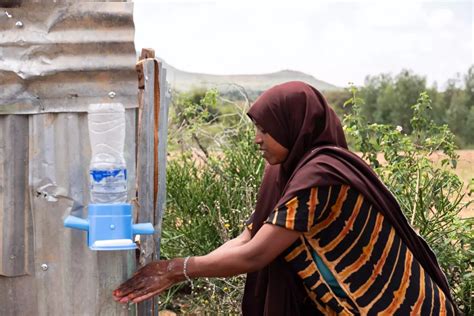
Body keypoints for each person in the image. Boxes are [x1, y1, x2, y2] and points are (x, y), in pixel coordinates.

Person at [113, 81, 456, 315]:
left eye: (266, 130)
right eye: (256, 130)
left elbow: (254, 255)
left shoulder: (320, 176)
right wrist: (190, 266)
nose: (257, 140)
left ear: (296, 126)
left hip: (400, 306)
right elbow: (249, 237)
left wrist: (176, 270)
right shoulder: (284, 172)